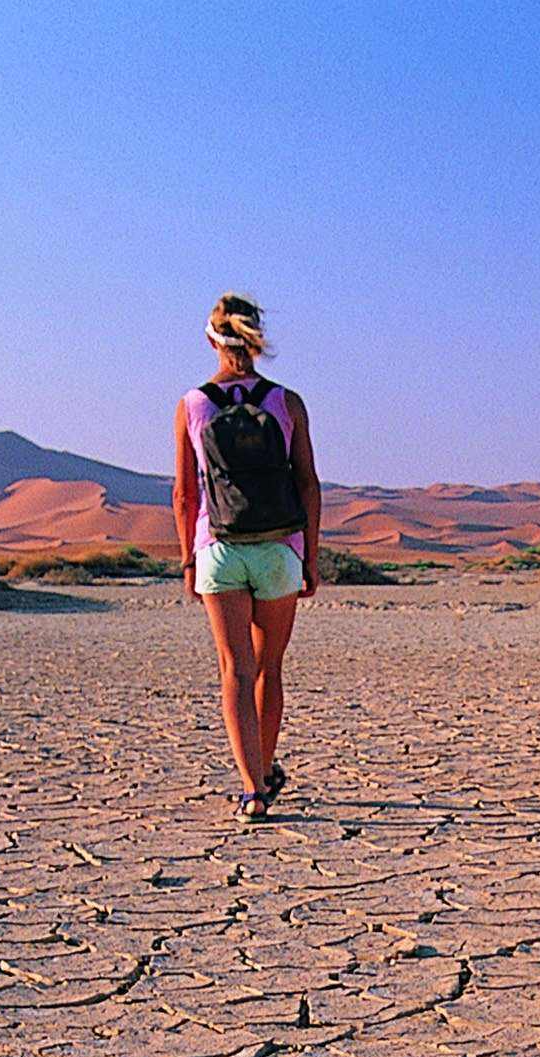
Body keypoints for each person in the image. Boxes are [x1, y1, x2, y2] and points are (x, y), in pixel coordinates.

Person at [173, 293, 320, 823]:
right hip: (280, 548)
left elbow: (185, 495)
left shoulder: (193, 404)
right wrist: (311, 558)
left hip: (219, 549)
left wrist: (190, 562)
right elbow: (307, 482)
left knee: (235, 667)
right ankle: (265, 766)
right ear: (256, 338)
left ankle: (252, 789)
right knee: (270, 667)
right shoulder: (288, 403)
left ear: (211, 339)